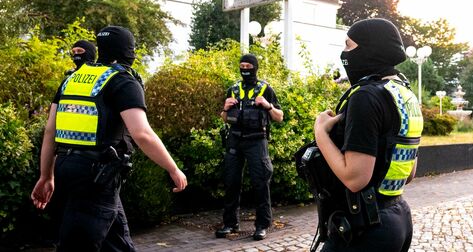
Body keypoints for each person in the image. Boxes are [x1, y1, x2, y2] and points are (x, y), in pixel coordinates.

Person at [30, 26, 188, 251]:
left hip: (68, 167)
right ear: (129, 51)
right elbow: (142, 133)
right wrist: (173, 169)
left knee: (117, 244)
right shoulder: (122, 80)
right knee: (78, 245)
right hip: (96, 176)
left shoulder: (73, 78)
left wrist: (47, 175)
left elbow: (49, 131)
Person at [311, 18, 423, 251]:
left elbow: (355, 179)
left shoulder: (366, 96)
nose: (344, 53)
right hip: (397, 218)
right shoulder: (404, 93)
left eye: (349, 46)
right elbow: (409, 173)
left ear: (370, 50)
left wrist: (320, 132)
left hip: (364, 227)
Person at [217, 54, 284, 241]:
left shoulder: (265, 89)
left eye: (248, 66)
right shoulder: (233, 89)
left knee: (261, 183)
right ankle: (230, 224)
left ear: (255, 67)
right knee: (231, 182)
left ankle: (262, 226)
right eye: (242, 66)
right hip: (235, 141)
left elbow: (279, 117)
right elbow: (224, 118)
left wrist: (267, 105)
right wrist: (225, 108)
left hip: (257, 142)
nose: (245, 69)